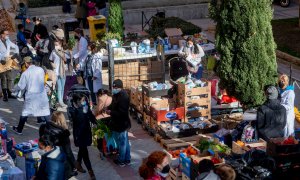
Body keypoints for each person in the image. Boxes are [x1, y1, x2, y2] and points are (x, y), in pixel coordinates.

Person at [12, 56, 50, 135]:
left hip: (31, 96)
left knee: (25, 113)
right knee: (45, 112)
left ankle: (19, 130)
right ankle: (51, 129)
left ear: (26, 63)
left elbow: (21, 86)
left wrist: (14, 88)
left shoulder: (26, 73)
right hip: (41, 95)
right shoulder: (41, 70)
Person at [39, 112, 78, 179]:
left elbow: (42, 142)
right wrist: (74, 165)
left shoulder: (43, 127)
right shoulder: (64, 133)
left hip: (46, 157)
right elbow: (68, 152)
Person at [68, 93, 96, 180]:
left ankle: (78, 164)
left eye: (85, 100)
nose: (84, 102)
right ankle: (91, 172)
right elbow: (73, 119)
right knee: (85, 153)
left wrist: (96, 123)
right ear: (77, 102)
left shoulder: (85, 108)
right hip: (79, 135)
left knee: (82, 149)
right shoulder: (73, 110)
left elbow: (91, 117)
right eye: (82, 101)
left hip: (86, 132)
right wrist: (81, 110)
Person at [106, 79, 131, 167]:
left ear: (120, 87)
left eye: (115, 87)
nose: (114, 88)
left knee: (122, 143)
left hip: (122, 124)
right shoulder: (116, 95)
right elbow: (113, 104)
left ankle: (121, 160)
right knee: (125, 143)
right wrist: (108, 108)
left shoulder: (124, 97)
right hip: (117, 123)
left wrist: (111, 112)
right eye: (113, 87)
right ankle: (127, 159)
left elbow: (122, 112)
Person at [0, 29, 20, 102]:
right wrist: (1, 58)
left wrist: (15, 53)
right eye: (6, 34)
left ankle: (9, 93)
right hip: (1, 63)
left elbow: (15, 46)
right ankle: (5, 95)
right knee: (3, 79)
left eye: (8, 34)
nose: (7, 36)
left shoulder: (8, 41)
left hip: (8, 62)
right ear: (1, 35)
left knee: (9, 78)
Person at [49, 40, 67, 107]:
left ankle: (61, 100)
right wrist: (52, 64)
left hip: (63, 71)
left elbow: (66, 60)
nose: (55, 46)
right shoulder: (53, 52)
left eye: (56, 45)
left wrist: (62, 54)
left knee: (62, 87)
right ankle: (60, 101)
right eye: (55, 45)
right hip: (56, 71)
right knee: (59, 87)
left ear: (60, 44)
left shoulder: (64, 51)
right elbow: (50, 60)